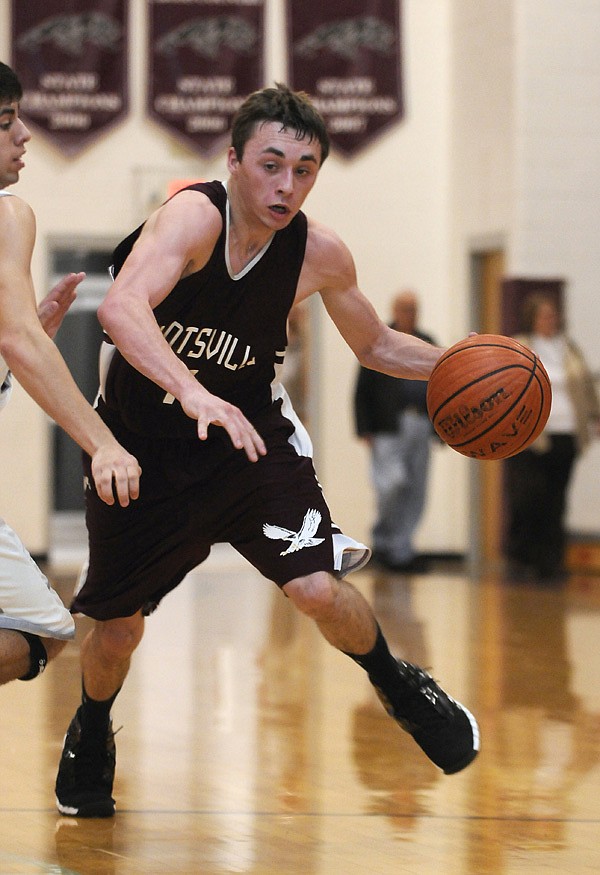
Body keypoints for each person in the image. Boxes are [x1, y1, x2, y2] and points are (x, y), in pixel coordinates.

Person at [55, 83, 480, 818]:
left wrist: (457, 362)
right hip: (142, 445)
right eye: (272, 164)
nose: (287, 185)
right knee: (118, 627)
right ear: (234, 160)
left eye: (305, 169)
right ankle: (92, 727)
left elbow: (375, 344)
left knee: (315, 587)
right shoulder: (192, 217)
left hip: (247, 441)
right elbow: (122, 308)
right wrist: (192, 392)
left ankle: (398, 681)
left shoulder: (318, 252)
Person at [0, 61, 141, 687]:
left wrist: (16, 344)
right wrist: (103, 440)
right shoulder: (7, 215)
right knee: (43, 631)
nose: (24, 135)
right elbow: (17, 335)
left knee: (43, 630)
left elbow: (15, 336)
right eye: (6, 123)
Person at [505, 292, 600, 582]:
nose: (550, 320)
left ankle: (551, 563)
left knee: (557, 501)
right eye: (544, 315)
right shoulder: (521, 345)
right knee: (528, 498)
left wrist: (595, 415)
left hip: (565, 434)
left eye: (552, 315)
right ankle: (521, 558)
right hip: (530, 436)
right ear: (532, 318)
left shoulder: (568, 348)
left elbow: (584, 386)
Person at [354, 290, 437, 572]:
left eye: (414, 308)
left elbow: (444, 387)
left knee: (416, 489)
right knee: (391, 485)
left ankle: (403, 549)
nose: (409, 314)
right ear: (394, 309)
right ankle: (383, 542)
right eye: (404, 308)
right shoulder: (379, 340)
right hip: (388, 426)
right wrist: (364, 428)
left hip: (421, 424)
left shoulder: (428, 342)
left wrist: (443, 429)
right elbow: (361, 389)